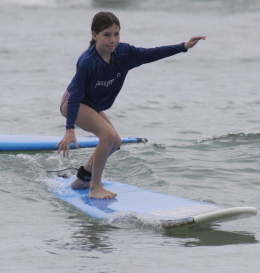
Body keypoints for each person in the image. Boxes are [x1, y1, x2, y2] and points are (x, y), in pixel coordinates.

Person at [56, 11, 205, 199]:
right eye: (107, 35)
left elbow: (151, 53)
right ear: (94, 36)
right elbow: (76, 95)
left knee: (115, 142)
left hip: (92, 104)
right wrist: (70, 130)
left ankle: (83, 179)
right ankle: (94, 188)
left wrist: (183, 46)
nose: (113, 40)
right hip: (73, 104)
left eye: (116, 34)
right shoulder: (88, 62)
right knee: (107, 135)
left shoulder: (124, 53)